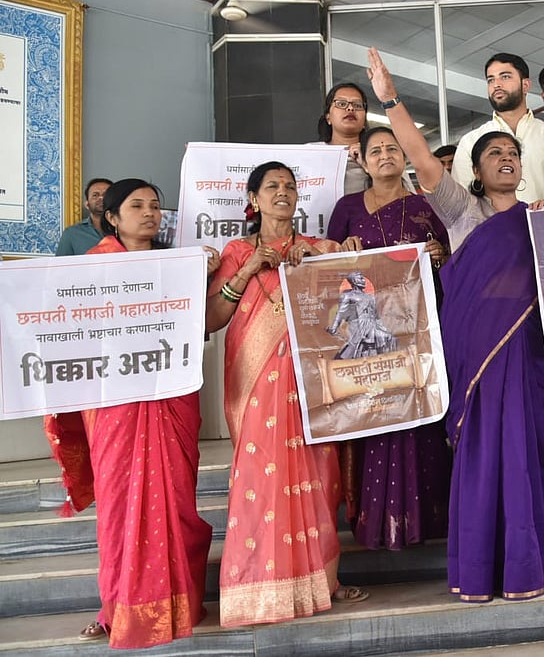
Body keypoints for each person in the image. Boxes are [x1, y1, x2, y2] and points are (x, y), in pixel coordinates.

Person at [367, 46, 544, 601]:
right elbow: (418, 153)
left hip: (533, 356)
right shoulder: (462, 212)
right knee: (487, 457)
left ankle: (542, 554)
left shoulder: (542, 218)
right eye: (495, 153)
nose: (506, 157)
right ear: (476, 171)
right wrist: (390, 99)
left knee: (536, 451)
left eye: (513, 152)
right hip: (481, 365)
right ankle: (485, 564)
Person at [49, 179, 218, 647]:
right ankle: (116, 606)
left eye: (155, 205)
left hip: (170, 397)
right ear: (114, 217)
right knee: (122, 503)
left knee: (177, 499)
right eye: (136, 205)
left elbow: (197, 325)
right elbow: (69, 329)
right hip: (115, 402)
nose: (149, 213)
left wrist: (206, 271)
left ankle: (181, 601)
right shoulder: (91, 267)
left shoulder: (178, 264)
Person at [207, 161, 368, 627]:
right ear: (253, 199)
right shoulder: (235, 251)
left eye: (290, 186)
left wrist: (350, 255)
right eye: (272, 186)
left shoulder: (318, 250)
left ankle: (324, 583)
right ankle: (259, 589)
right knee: (262, 476)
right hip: (256, 383)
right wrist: (249, 269)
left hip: (310, 382)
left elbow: (356, 290)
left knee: (320, 478)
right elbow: (212, 319)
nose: (283, 192)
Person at [327, 125, 452, 551]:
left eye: (392, 149)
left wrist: (440, 254)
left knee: (421, 417)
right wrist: (342, 248)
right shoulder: (347, 207)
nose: (385, 155)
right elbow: (329, 268)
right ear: (361, 160)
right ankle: (379, 521)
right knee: (376, 417)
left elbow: (450, 254)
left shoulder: (424, 204)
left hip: (419, 330)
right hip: (371, 339)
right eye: (375, 150)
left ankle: (428, 518)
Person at [451, 52, 544, 205]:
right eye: (490, 80)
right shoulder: (471, 141)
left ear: (525, 85)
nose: (496, 84)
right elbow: (462, 202)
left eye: (505, 77)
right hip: (493, 227)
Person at [316, 82, 371, 194]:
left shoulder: (380, 154)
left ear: (364, 121)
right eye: (341, 104)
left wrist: (368, 165)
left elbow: (406, 199)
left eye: (357, 105)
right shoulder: (310, 153)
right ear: (328, 117)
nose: (350, 108)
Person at [55, 178, 111, 256]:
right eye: (95, 195)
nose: (101, 198)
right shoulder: (71, 234)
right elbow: (60, 266)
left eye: (106, 195)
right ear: (87, 204)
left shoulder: (127, 231)